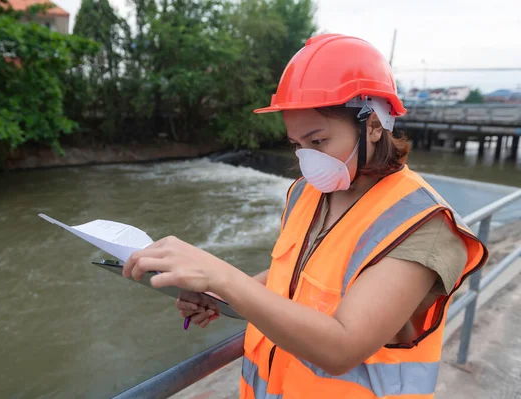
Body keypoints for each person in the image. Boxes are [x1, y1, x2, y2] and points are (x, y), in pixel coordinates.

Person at [122, 34, 488, 398]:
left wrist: (225, 276)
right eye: (297, 145)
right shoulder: (306, 192)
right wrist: (216, 293)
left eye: (318, 142)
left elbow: (342, 347)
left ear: (374, 125)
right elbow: (291, 277)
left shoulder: (423, 224)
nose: (307, 159)